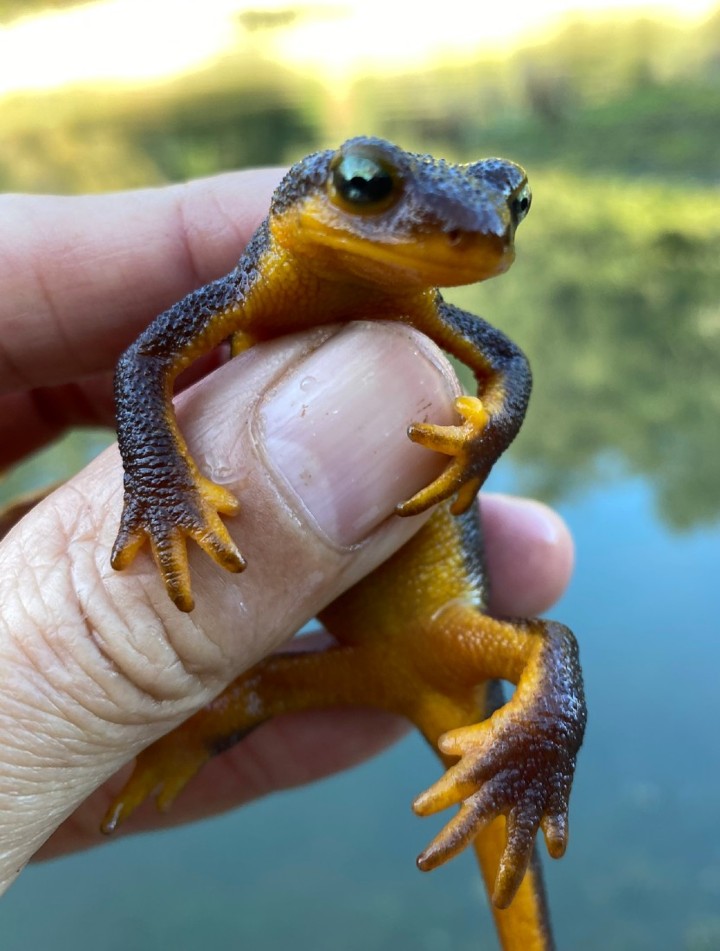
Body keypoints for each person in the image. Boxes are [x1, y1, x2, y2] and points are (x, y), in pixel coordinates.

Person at [0, 169, 574, 895]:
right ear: (298, 204)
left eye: (511, 209)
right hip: (356, 657)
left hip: (446, 632)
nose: (488, 231)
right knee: (237, 697)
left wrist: (487, 434)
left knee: (544, 654)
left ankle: (533, 749)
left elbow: (509, 368)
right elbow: (145, 361)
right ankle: (196, 734)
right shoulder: (266, 280)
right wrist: (161, 483)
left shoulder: (417, 299)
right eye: (370, 186)